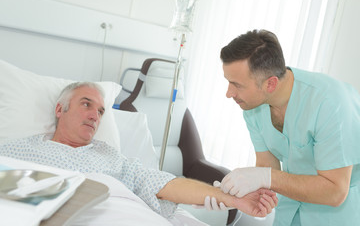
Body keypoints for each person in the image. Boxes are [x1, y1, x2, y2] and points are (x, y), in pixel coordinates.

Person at [0, 82, 277, 222]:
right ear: (60, 109)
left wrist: (234, 200)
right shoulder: (22, 150)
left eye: (99, 111)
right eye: (86, 104)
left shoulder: (109, 155)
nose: (95, 116)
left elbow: (163, 184)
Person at [218, 29, 360, 225]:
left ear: (270, 84)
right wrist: (230, 197)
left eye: (237, 85)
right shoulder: (253, 106)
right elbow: (267, 168)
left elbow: (335, 191)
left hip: (337, 216)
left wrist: (265, 177)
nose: (229, 93)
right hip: (289, 214)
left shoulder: (330, 104)